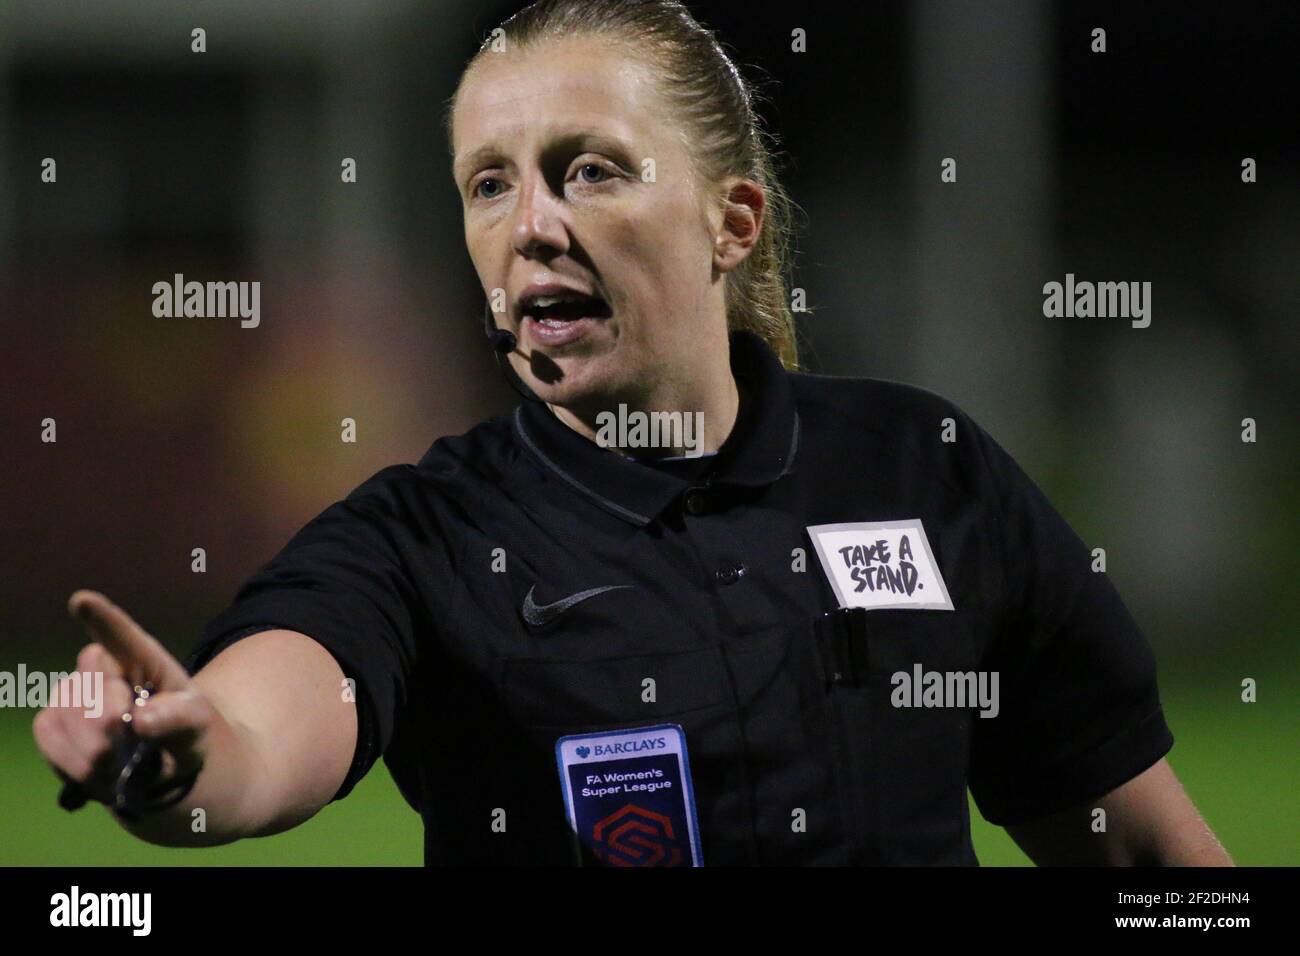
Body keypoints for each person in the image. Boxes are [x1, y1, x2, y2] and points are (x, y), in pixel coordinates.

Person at [34, 0, 1232, 866]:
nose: (533, 225)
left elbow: (1141, 849)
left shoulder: (923, 466)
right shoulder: (429, 535)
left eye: (590, 169)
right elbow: (271, 716)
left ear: (732, 221)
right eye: (488, 184)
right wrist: (190, 758)